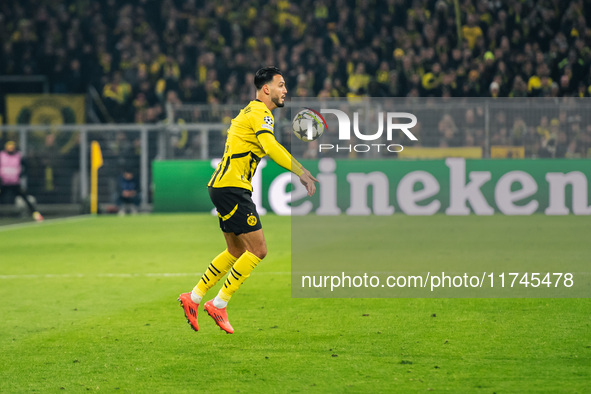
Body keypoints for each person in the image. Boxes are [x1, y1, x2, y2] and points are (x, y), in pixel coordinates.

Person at [178, 67, 318, 334]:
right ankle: (219, 303)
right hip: (231, 188)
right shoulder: (260, 113)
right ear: (267, 89)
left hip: (222, 185)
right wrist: (301, 171)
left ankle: (193, 298)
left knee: (236, 251)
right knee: (258, 250)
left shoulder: (248, 111)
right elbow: (271, 146)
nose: (285, 90)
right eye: (281, 85)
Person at [0, 141, 43, 221]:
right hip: (4, 183)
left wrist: (21, 175)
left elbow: (26, 167)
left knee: (25, 198)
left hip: (15, 183)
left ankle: (35, 213)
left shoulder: (18, 156)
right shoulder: (2, 155)